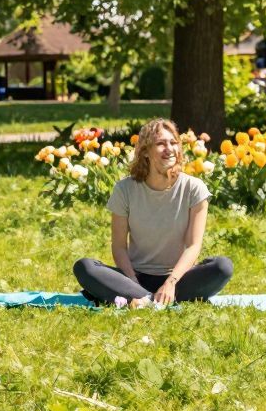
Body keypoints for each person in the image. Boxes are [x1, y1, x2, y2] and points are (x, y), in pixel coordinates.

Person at [73, 118, 233, 306]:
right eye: (160, 143)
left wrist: (170, 283)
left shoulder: (194, 188)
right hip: (135, 277)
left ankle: (138, 299)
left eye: (173, 143)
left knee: (222, 267)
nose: (169, 148)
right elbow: (119, 247)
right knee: (84, 267)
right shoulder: (124, 189)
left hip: (178, 279)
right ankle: (146, 297)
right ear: (146, 152)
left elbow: (193, 246)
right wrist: (131, 281)